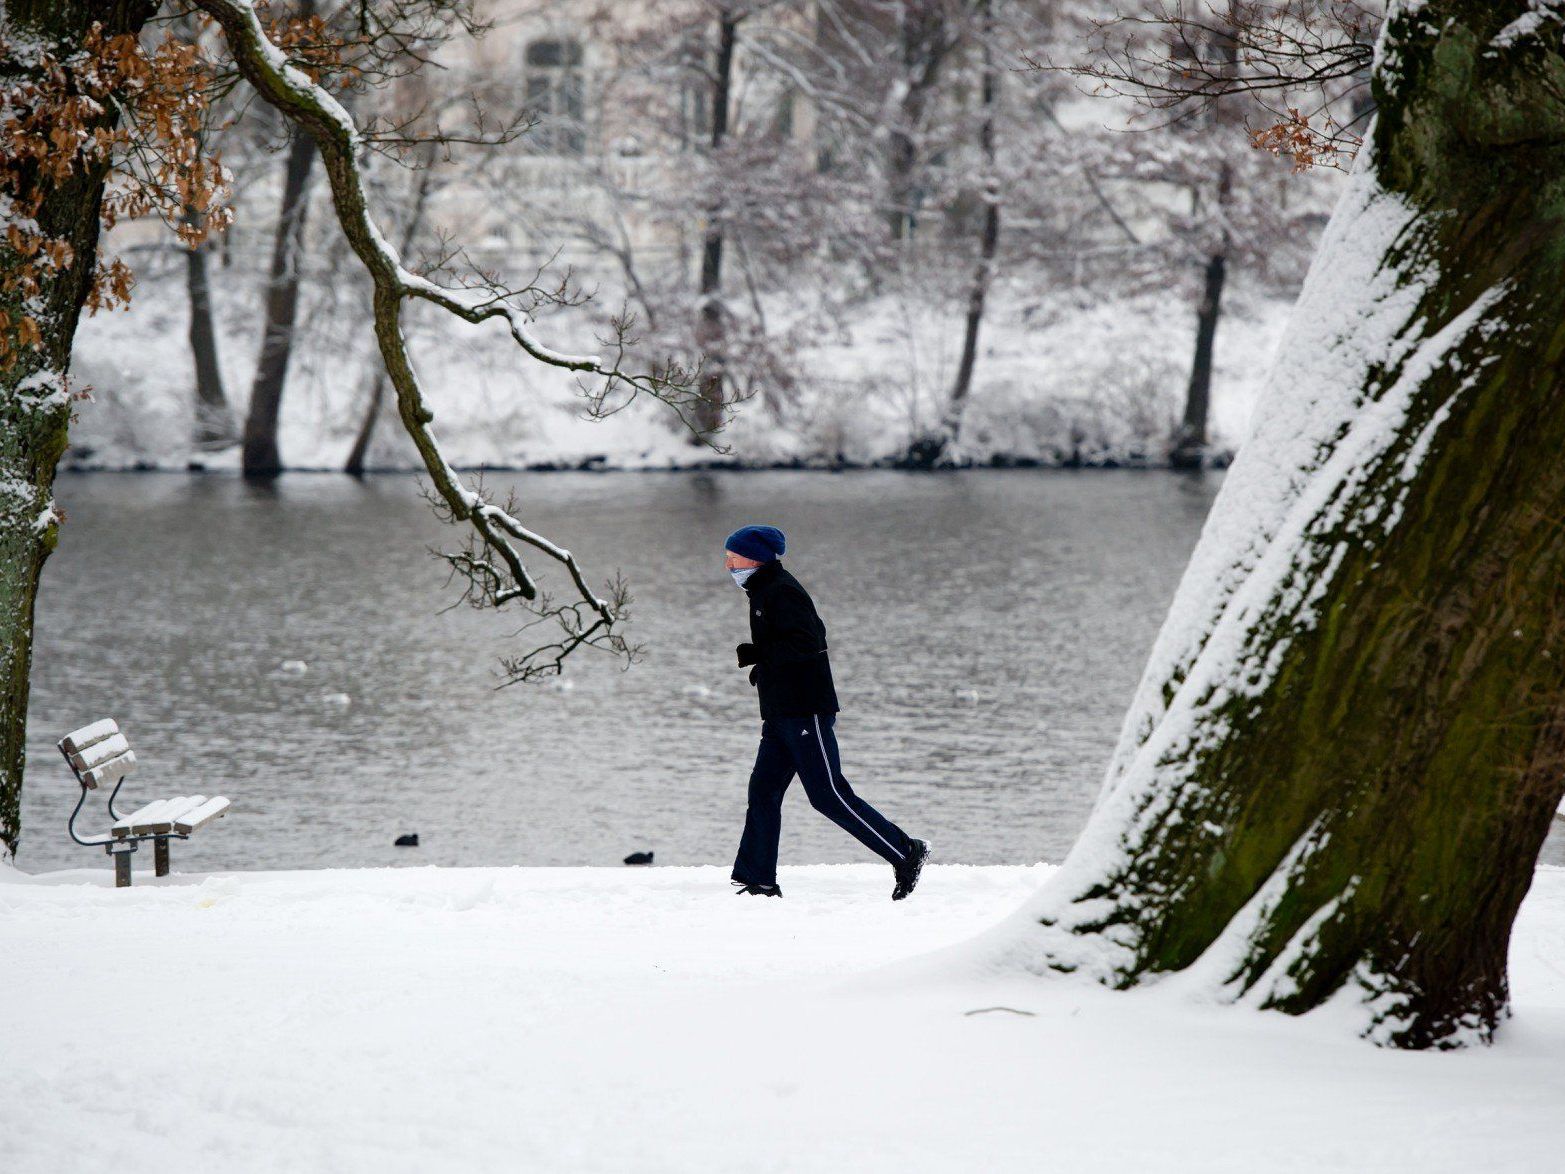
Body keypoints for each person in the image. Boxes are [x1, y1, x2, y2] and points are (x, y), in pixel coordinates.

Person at [723, 524, 929, 900]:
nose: (728, 563)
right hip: (781, 713)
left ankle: (905, 852)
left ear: (755, 557)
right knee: (763, 792)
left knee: (828, 795)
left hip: (805, 713)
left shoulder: (782, 591)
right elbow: (792, 643)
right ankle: (759, 880)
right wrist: (764, 664)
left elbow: (810, 641)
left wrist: (762, 656)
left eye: (733, 556)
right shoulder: (762, 590)